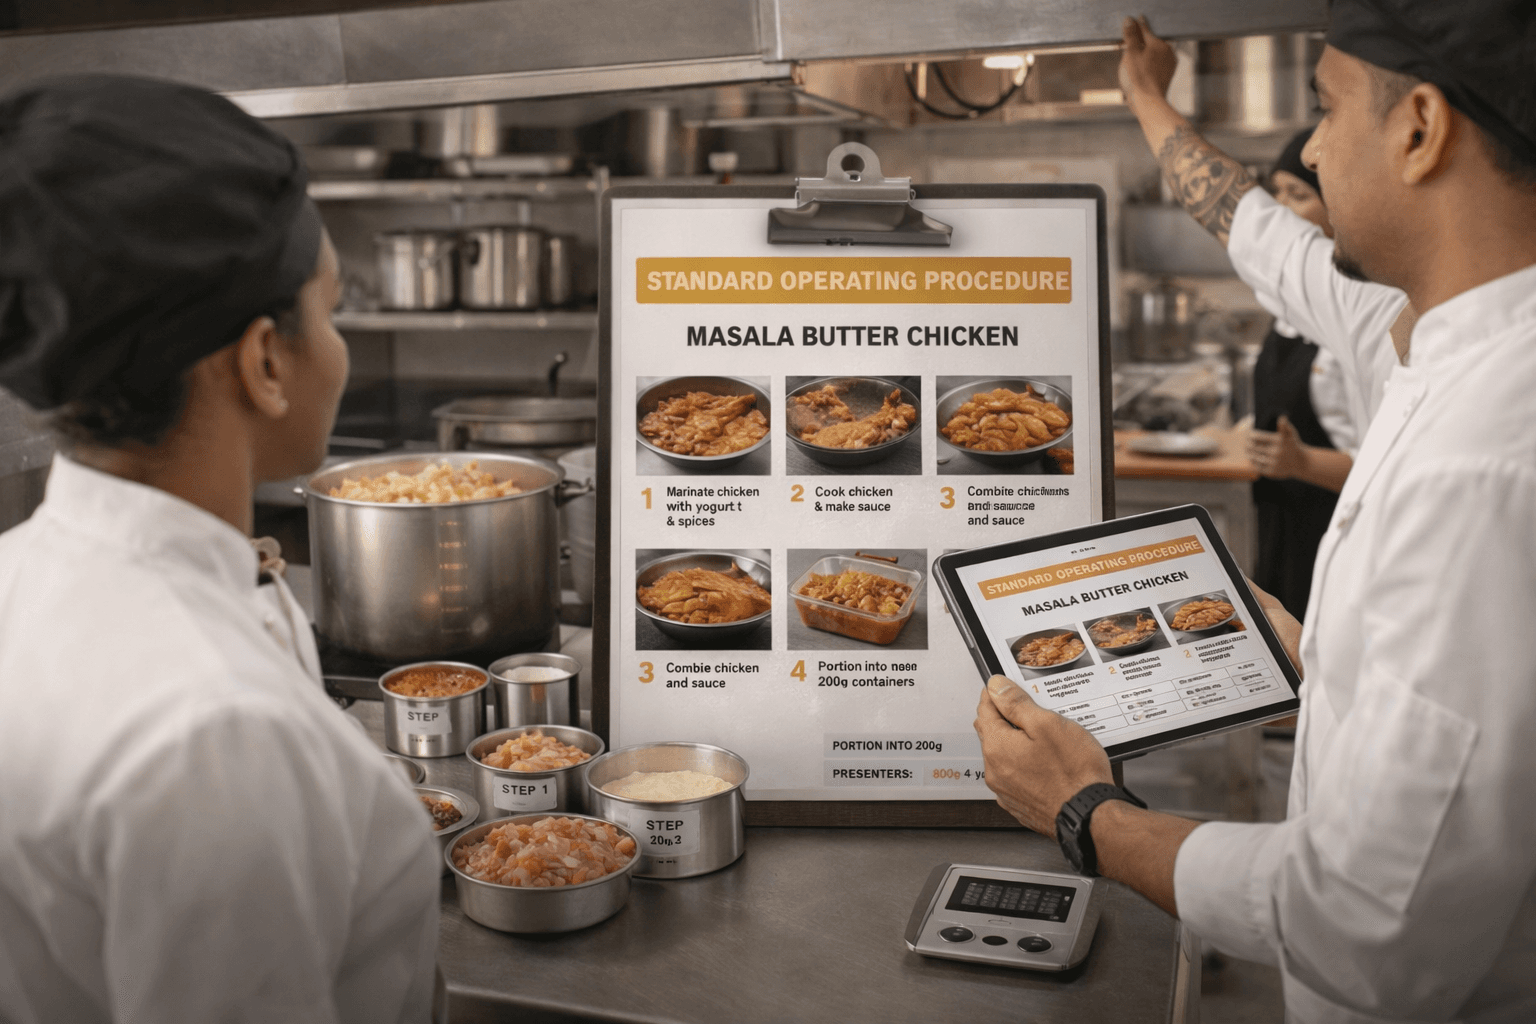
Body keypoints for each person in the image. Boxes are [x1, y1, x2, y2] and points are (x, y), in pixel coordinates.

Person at [975, 4, 1536, 1022]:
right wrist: (1329, 664)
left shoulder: (1487, 462)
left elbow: (1375, 925)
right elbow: (1264, 235)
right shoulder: (1435, 331)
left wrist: (1086, 813)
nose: (1312, 152)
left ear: (1419, 127)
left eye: (1326, 109)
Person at [0, 77, 439, 1022]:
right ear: (265, 363)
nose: (340, 347)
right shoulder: (217, 731)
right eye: (330, 310)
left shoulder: (16, 580)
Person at [1247, 128, 1360, 618]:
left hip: (1333, 531)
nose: (1283, 211)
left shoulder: (1356, 321)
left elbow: (1381, 466)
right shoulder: (1290, 308)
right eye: (1277, 194)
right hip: (1281, 526)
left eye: (1299, 195)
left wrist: (1302, 463)